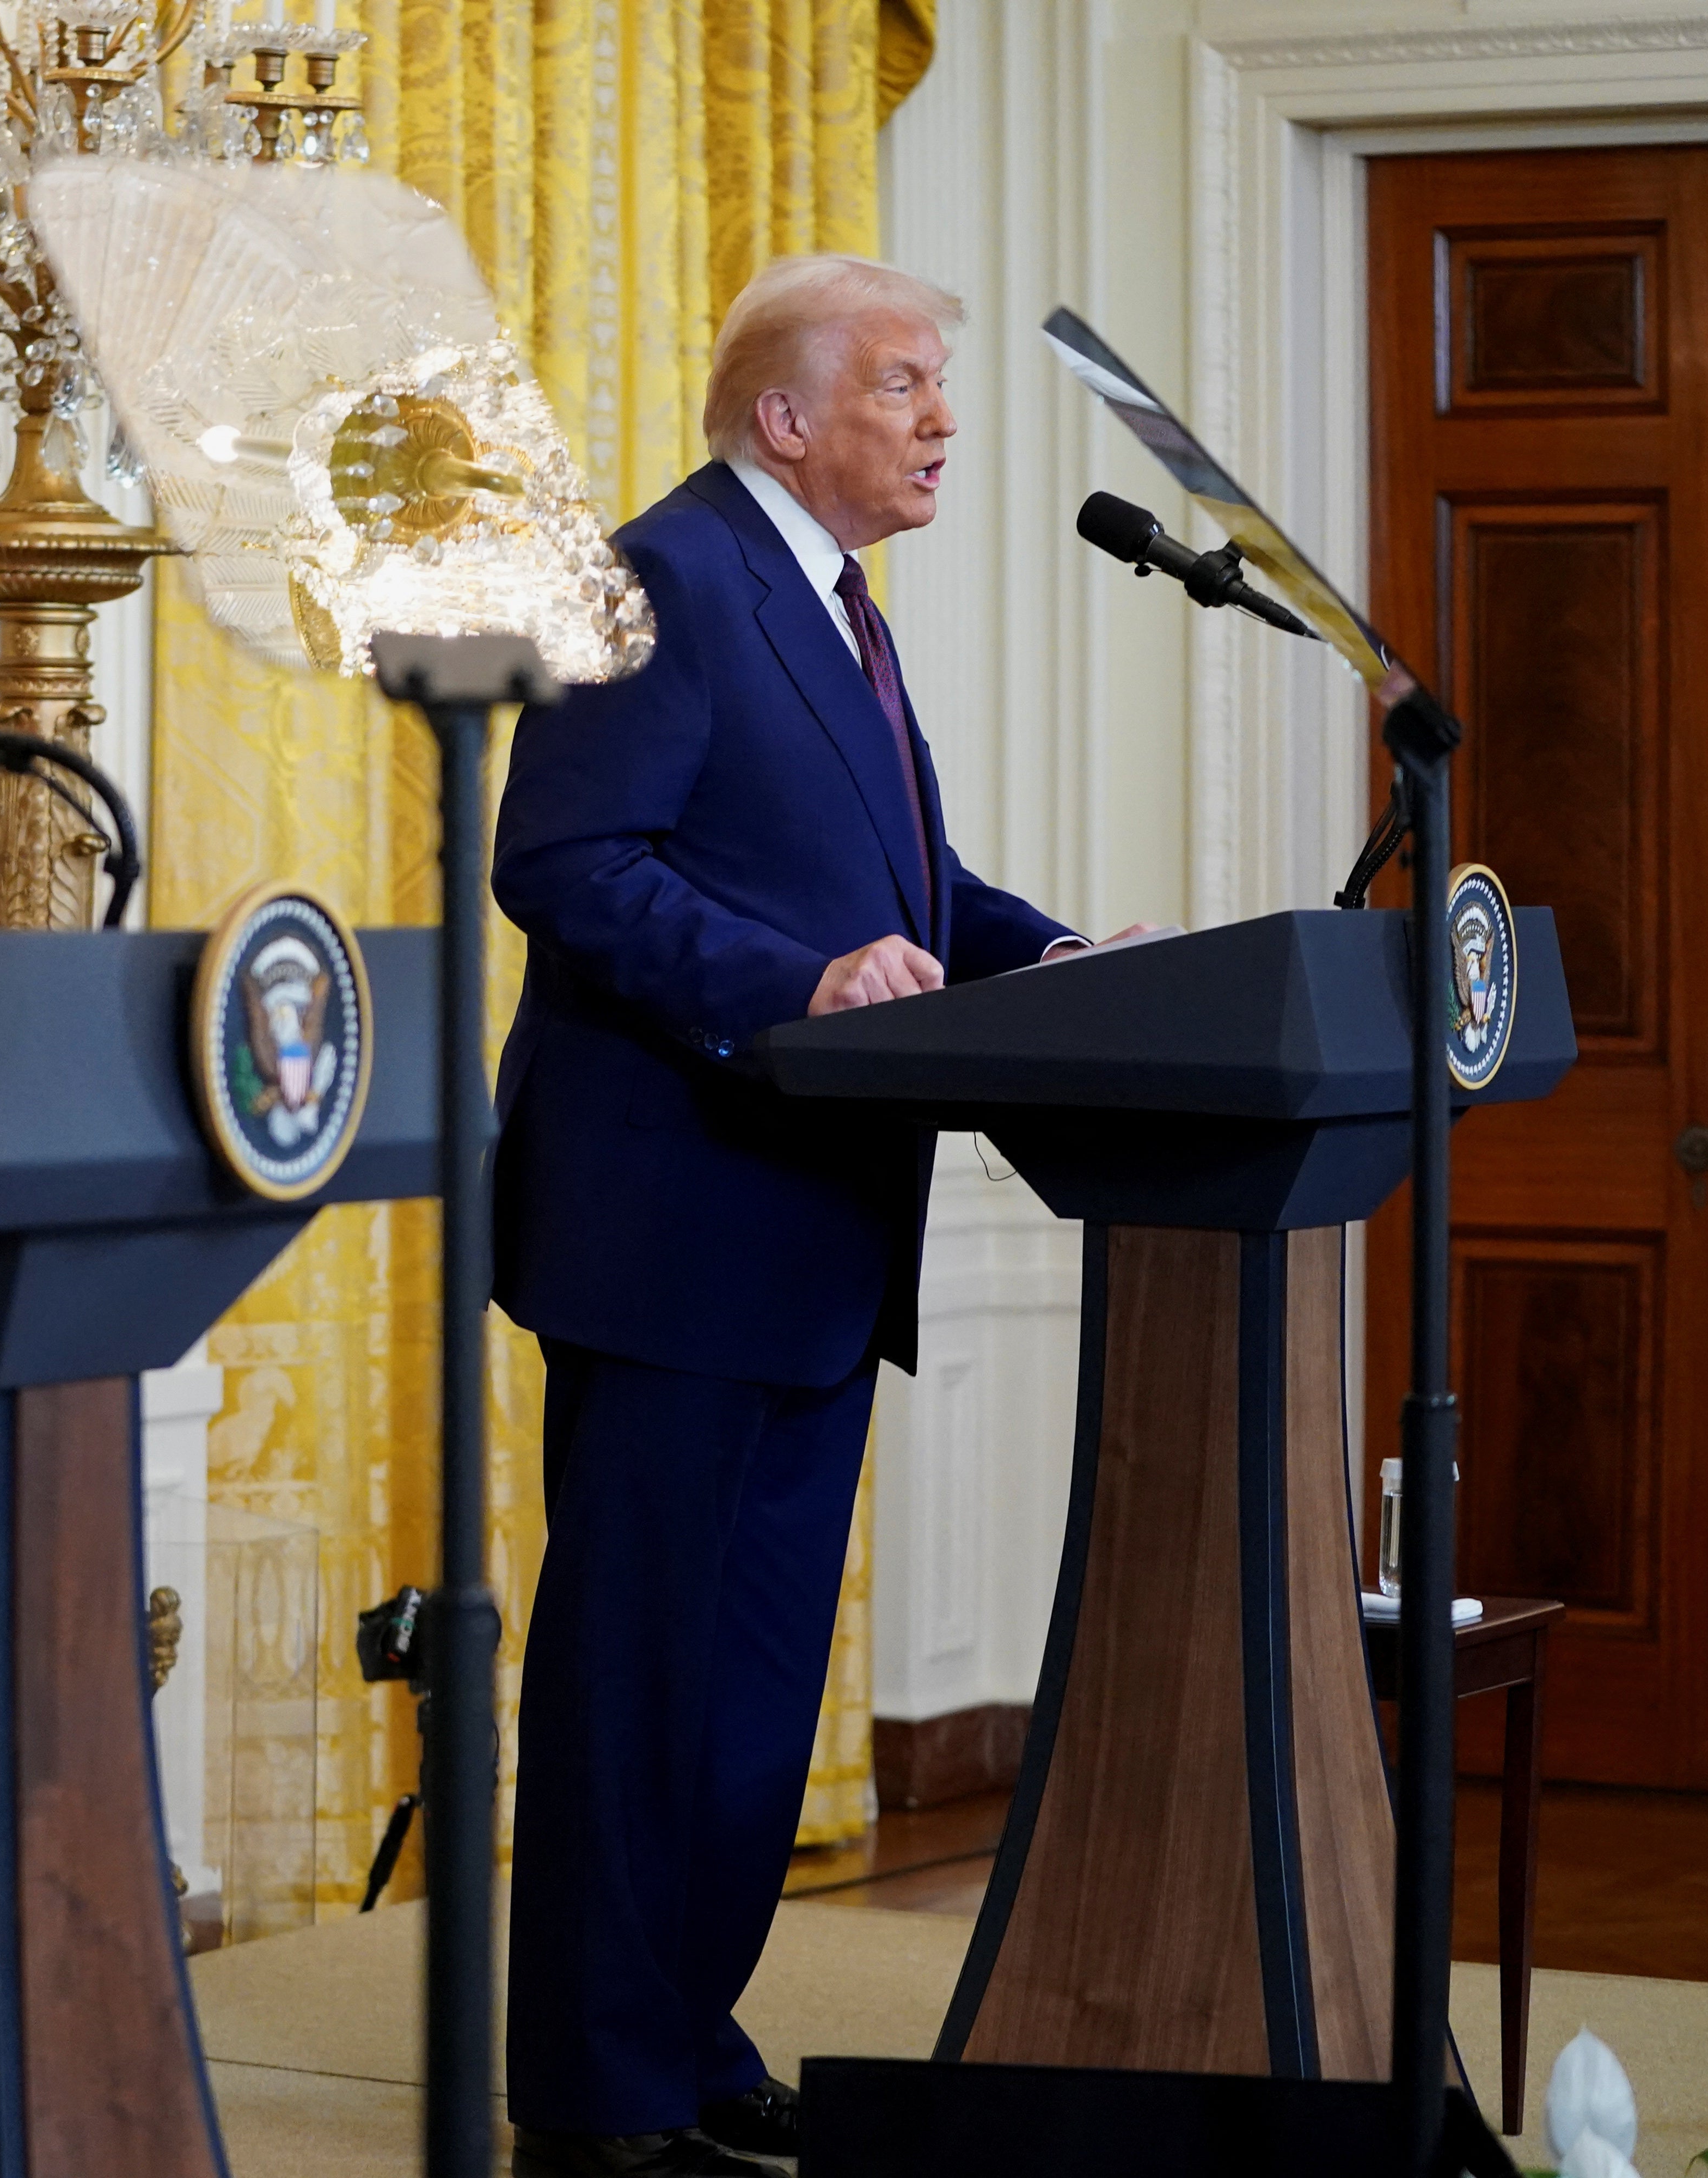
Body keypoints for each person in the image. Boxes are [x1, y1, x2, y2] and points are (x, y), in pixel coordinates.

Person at [491, 255, 1143, 2177]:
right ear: (786, 418)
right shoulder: (666, 576)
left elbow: (901, 885)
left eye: (941, 384)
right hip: (673, 1223)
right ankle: (594, 2100)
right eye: (905, 385)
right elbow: (567, 860)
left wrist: (1063, 956)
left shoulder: (832, 606)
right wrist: (792, 982)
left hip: (809, 1232)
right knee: (641, 1676)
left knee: (750, 1687)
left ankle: (682, 2040)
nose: (943, 418)